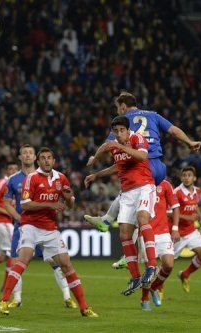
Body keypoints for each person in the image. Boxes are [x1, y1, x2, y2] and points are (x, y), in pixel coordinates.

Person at [0, 147, 98, 317]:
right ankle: (4, 301)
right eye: (43, 158)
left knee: (66, 264)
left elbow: (71, 204)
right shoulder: (32, 178)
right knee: (23, 260)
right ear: (38, 162)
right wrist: (50, 205)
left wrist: (67, 198)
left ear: (53, 160)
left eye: (49, 158)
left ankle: (84, 308)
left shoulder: (61, 178)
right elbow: (25, 205)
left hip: (50, 228)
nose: (46, 160)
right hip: (30, 226)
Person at [84, 91, 201, 231]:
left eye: (117, 107)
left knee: (128, 195)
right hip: (159, 167)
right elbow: (174, 130)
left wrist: (94, 158)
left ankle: (107, 221)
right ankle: (129, 237)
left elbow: (106, 146)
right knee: (140, 211)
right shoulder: (153, 115)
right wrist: (189, 142)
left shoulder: (123, 123)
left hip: (143, 165)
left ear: (122, 106)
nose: (117, 111)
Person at [85, 115, 158, 296]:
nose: (118, 134)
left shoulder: (137, 138)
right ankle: (135, 277)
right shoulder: (115, 145)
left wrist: (119, 146)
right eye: (115, 131)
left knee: (142, 218)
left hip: (144, 187)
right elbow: (115, 162)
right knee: (124, 233)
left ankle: (152, 266)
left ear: (128, 130)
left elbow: (141, 156)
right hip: (127, 193)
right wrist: (95, 164)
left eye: (121, 130)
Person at [3, 144, 76, 308]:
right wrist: (17, 217)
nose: (28, 156)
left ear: (35, 157)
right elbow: (6, 202)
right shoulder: (13, 179)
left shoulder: (47, 176)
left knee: (55, 262)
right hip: (24, 226)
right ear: (20, 157)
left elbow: (64, 198)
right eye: (24, 153)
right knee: (17, 262)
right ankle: (17, 299)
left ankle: (67, 297)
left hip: (45, 226)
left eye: (30, 153)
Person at [139, 179, 180, 310]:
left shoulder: (165, 184)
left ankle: (154, 287)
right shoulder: (140, 184)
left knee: (168, 265)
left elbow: (175, 207)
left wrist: (174, 229)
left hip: (163, 232)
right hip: (146, 232)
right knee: (149, 269)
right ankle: (144, 299)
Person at [174, 167, 201, 293]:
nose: (186, 177)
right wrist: (189, 217)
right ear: (181, 178)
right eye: (184, 175)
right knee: (167, 264)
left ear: (194, 178)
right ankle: (158, 286)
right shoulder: (176, 192)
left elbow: (195, 206)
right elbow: (168, 213)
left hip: (190, 230)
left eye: (189, 175)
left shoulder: (197, 191)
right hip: (176, 232)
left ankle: (185, 274)